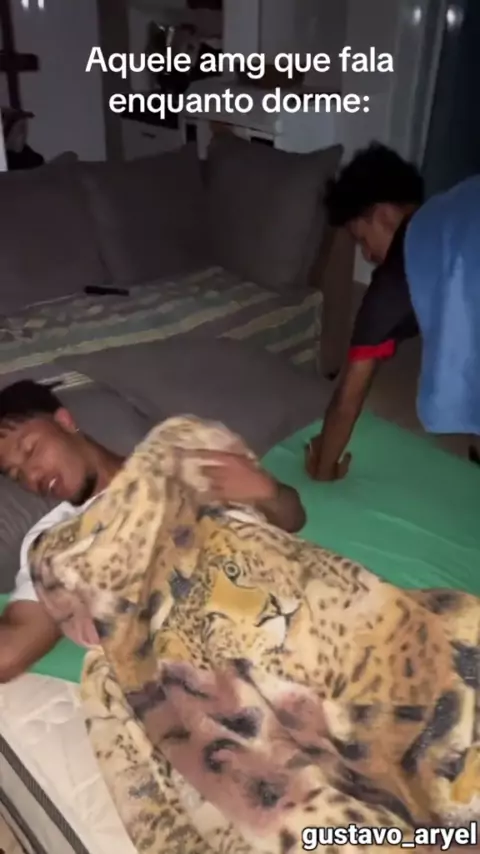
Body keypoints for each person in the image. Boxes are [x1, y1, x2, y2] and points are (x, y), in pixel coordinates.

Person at [0, 380, 306, 683]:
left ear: (65, 422)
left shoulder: (178, 457)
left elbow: (291, 516)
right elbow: (9, 653)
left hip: (300, 622)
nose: (32, 476)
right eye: (16, 474)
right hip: (223, 671)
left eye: (30, 450)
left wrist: (266, 492)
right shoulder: (52, 540)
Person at [306, 143, 425, 482]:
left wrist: (324, 467)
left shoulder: (392, 282)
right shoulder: (452, 210)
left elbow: (348, 399)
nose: (369, 256)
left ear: (384, 215)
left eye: (362, 239)